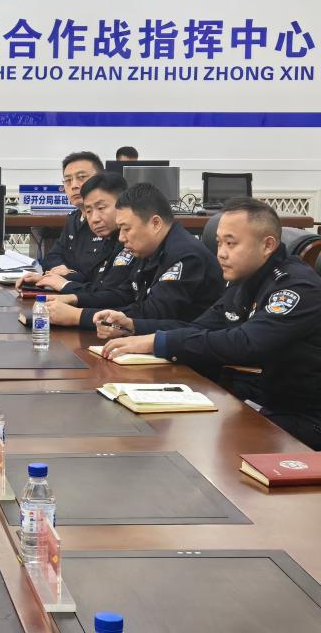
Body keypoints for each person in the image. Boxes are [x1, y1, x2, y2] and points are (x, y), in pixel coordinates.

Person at [96, 198, 321, 449]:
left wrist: (159, 342)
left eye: (231, 243)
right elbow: (199, 327)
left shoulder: (296, 287)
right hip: (266, 402)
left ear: (267, 245)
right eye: (219, 242)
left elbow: (246, 344)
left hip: (306, 418)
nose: (221, 253)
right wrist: (134, 327)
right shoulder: (247, 279)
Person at [43, 182, 225, 330]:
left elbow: (152, 314)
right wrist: (74, 299)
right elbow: (124, 295)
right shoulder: (150, 249)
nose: (121, 238)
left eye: (126, 229)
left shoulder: (185, 256)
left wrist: (79, 316)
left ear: (155, 224)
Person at [17, 172, 130, 295]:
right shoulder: (105, 236)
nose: (94, 219)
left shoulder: (129, 242)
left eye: (101, 208)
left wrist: (65, 285)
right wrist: (47, 279)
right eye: (88, 211)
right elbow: (91, 280)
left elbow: (110, 295)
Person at [40, 152, 114, 281]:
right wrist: (60, 269)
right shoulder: (74, 219)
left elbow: (99, 278)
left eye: (81, 177)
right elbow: (51, 257)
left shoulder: (110, 221)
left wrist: (68, 276)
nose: (74, 185)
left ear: (100, 180)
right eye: (68, 180)